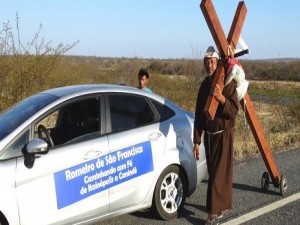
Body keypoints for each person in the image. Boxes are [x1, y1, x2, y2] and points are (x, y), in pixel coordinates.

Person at [193, 46, 239, 225]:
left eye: (212, 61)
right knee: (214, 174)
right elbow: (198, 114)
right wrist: (197, 140)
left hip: (224, 135)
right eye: (206, 62)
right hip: (210, 136)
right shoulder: (205, 85)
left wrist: (221, 98)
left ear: (218, 62)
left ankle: (212, 214)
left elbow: (234, 111)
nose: (209, 65)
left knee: (219, 174)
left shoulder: (228, 84)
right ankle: (221, 207)